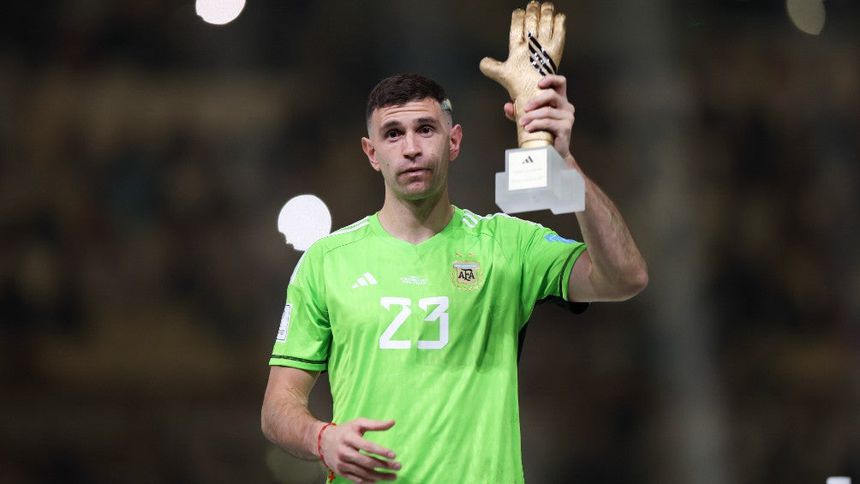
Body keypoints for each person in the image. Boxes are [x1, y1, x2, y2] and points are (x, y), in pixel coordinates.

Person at [261, 72, 648, 483]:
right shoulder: (327, 261)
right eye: (393, 134)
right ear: (371, 153)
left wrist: (564, 162)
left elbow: (624, 277)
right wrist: (322, 438)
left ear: (454, 141)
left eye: (426, 129)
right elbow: (277, 407)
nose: (411, 148)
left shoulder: (507, 244)